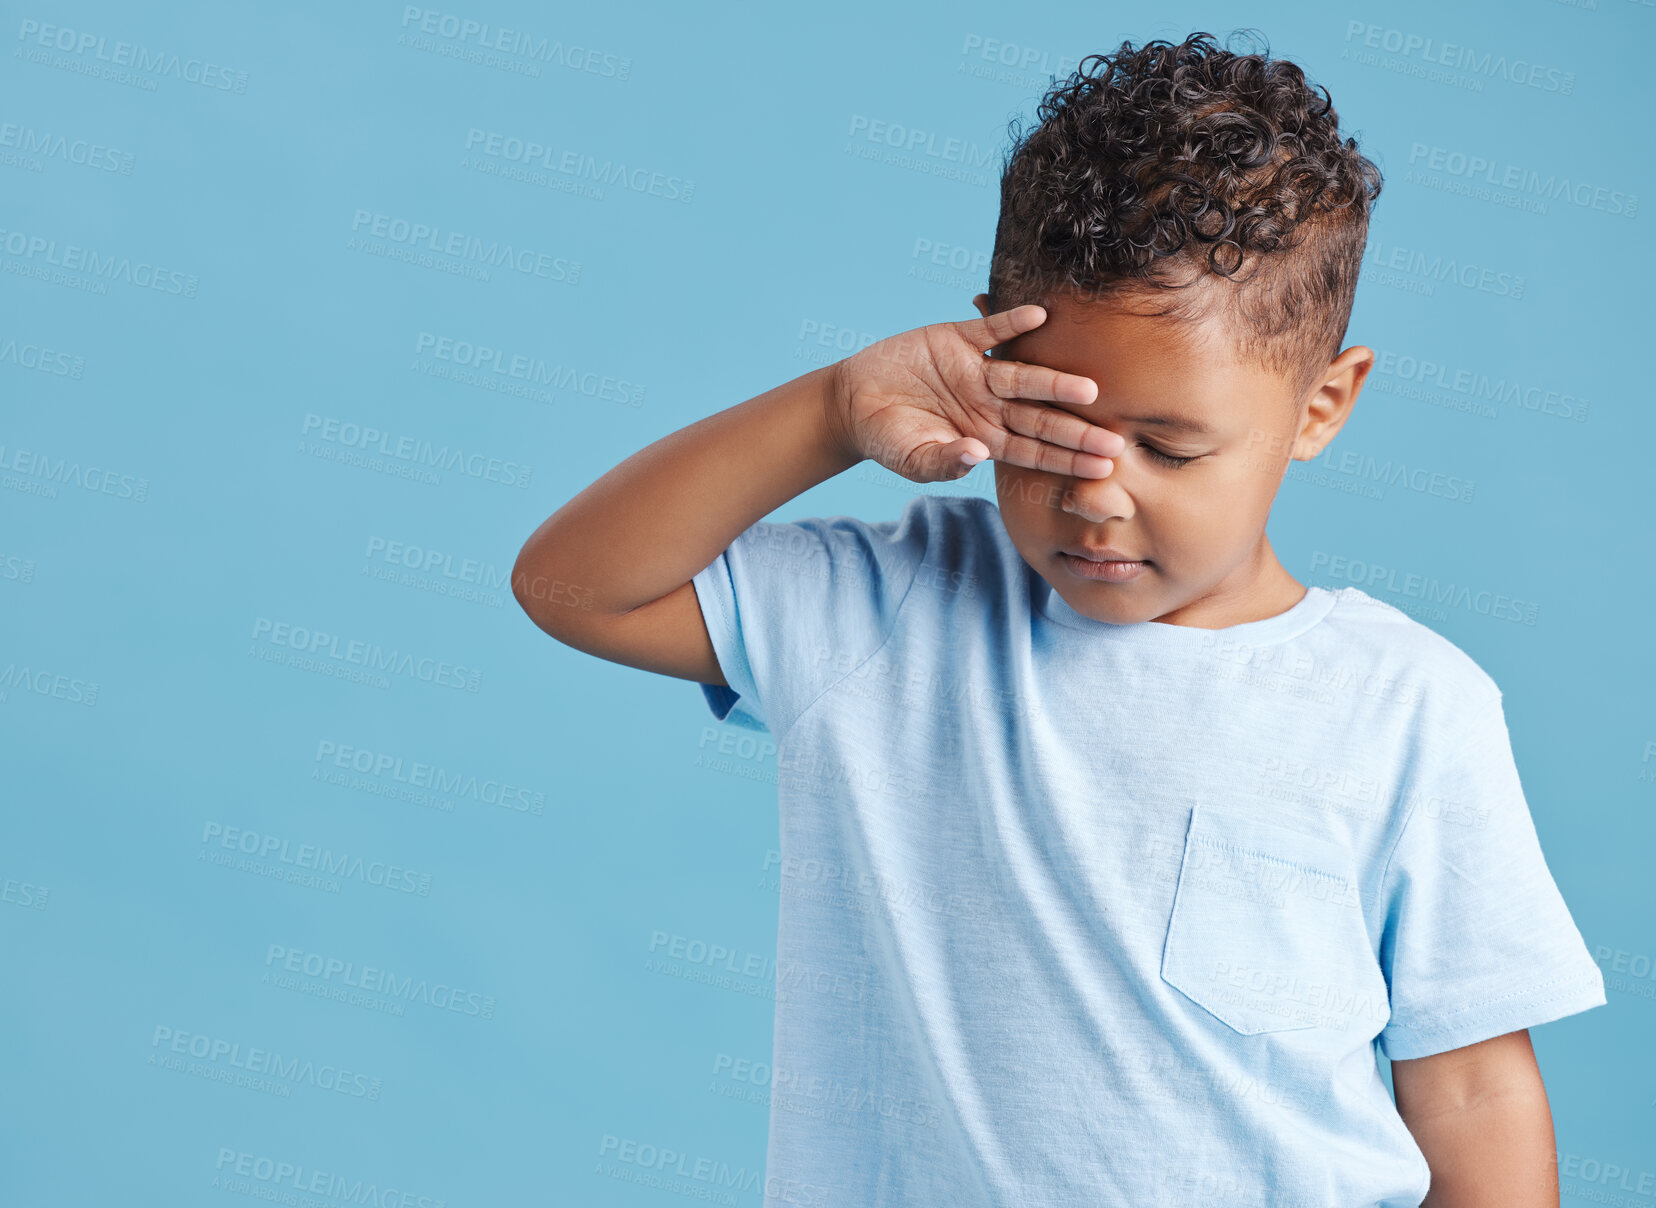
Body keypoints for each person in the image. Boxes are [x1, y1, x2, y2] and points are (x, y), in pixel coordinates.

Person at [512, 29, 1605, 1208]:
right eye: (1047, 436)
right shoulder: (895, 612)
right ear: (986, 349)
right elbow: (576, 584)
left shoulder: (1409, 706)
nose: (1096, 491)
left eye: (1168, 447)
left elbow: (1476, 1095)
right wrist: (835, 410)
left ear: (1321, 404)